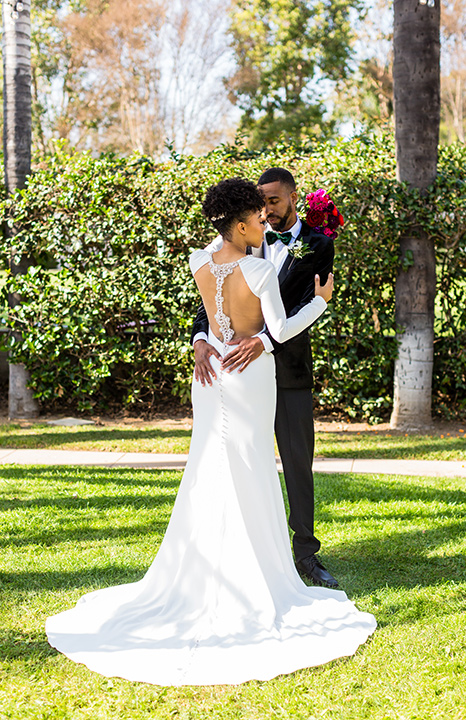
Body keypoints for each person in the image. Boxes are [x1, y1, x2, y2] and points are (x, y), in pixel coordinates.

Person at [45, 178, 375, 686]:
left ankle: (207, 569)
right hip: (248, 377)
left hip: (213, 376)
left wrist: (205, 340)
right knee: (251, 468)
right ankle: (256, 574)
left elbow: (214, 316)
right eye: (257, 218)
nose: (264, 222)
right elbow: (280, 330)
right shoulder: (261, 268)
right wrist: (322, 302)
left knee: (210, 467)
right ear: (240, 222)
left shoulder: (200, 260)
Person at [192, 168, 337, 588]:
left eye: (274, 201)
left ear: (293, 197)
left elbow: (298, 305)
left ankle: (306, 555)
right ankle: (241, 553)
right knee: (235, 459)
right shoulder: (235, 243)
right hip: (239, 374)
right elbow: (211, 302)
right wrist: (200, 337)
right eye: (261, 203)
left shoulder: (318, 245)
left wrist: (262, 342)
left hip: (286, 370)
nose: (267, 210)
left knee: (296, 464)